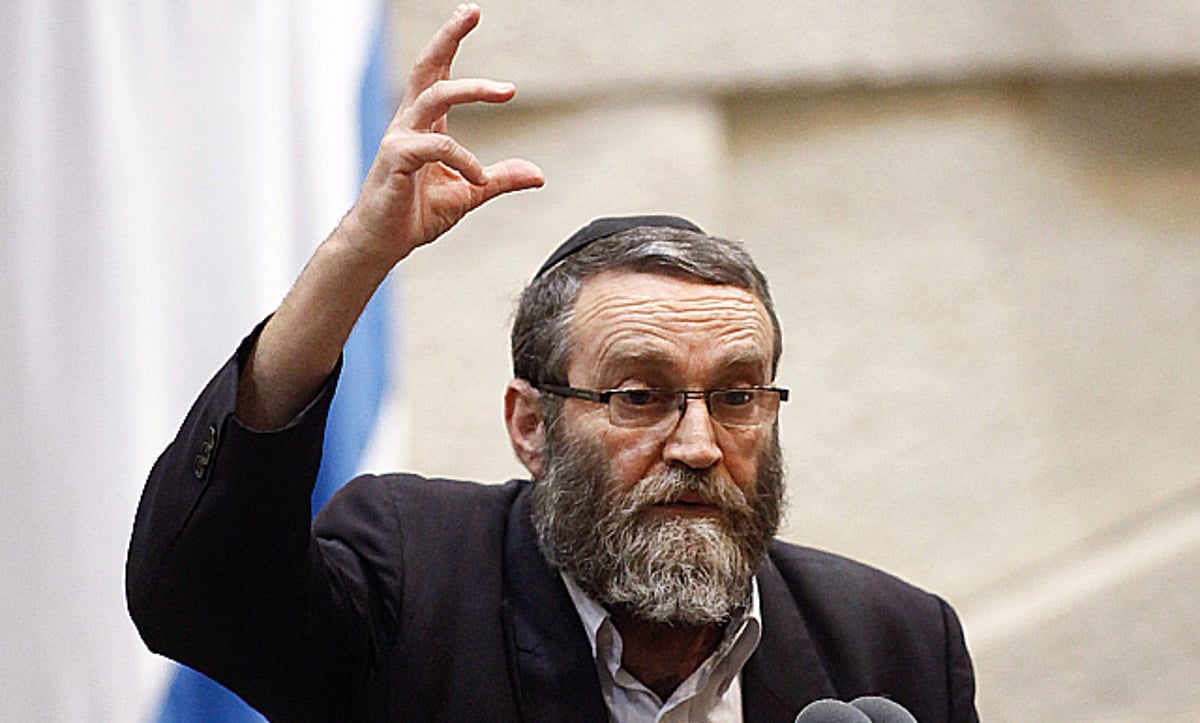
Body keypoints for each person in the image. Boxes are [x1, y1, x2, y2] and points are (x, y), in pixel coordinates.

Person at [126, 5, 978, 722]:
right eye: (640, 395)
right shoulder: (417, 580)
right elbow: (200, 593)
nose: (698, 444)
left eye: (735, 396)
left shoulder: (897, 644)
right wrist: (359, 255)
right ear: (531, 425)